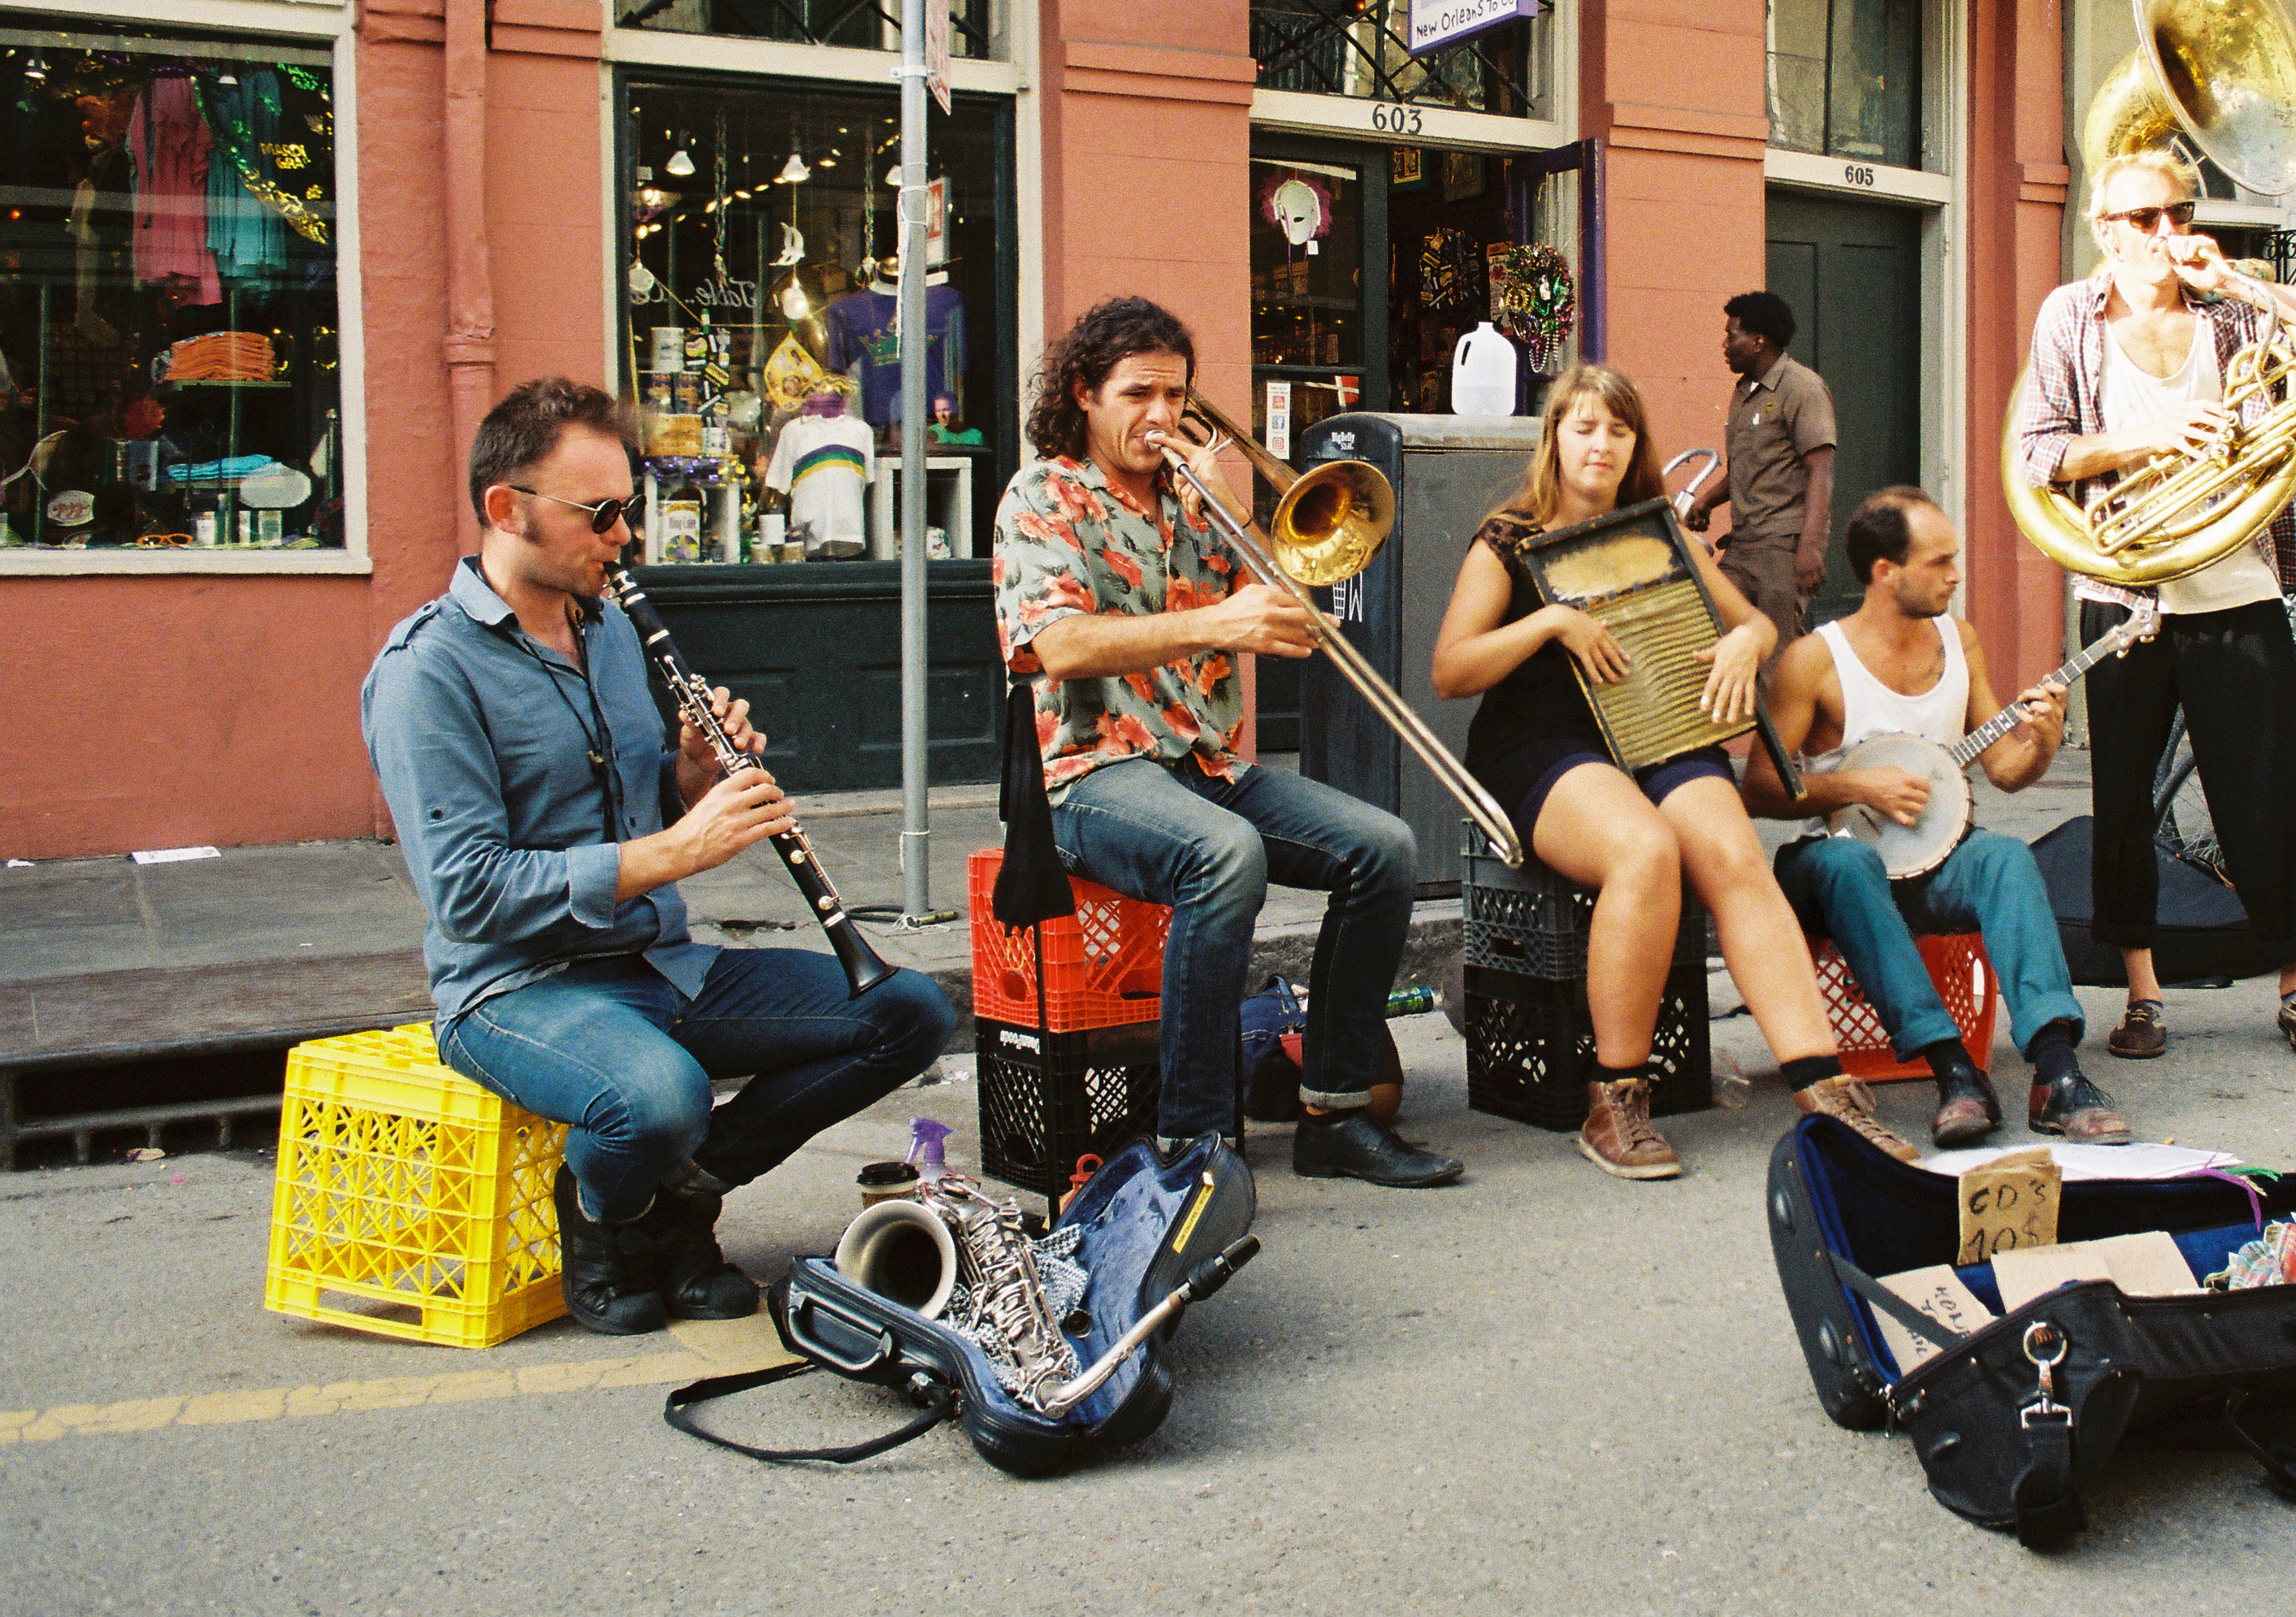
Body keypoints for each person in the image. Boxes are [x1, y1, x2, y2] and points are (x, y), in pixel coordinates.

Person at [362, 379, 957, 1336]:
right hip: (517, 988)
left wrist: (690, 776)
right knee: (659, 1095)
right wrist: (677, 849)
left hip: (659, 962)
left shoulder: (607, 630)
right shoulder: (427, 671)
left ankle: (678, 1199)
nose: (624, 537)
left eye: (627, 512)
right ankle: (604, 1217)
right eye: (599, 514)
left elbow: (639, 808)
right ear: (506, 510)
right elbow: (469, 895)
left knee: (909, 1012)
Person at [994, 297, 1458, 1188]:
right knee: (1225, 855)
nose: (1161, 416)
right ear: (1084, 394)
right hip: (1088, 775)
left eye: (1174, 394)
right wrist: (1222, 618)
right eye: (1137, 394)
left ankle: (1334, 1112)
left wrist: (1247, 521)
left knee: (1384, 850)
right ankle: (1197, 1141)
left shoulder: (1191, 499)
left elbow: (1283, 594)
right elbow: (1058, 644)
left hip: (1202, 765)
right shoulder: (1042, 496)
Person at [1431, 362, 1916, 1180]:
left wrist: (1741, 643)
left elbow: (1761, 628)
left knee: (1732, 856)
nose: (1600, 444)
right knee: (1644, 850)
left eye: (1616, 430)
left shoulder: (1664, 532)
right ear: (1554, 439)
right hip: (1541, 742)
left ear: (1634, 444)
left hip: (1659, 731)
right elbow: (1452, 670)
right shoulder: (1506, 540)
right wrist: (1551, 623)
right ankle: (1615, 1096)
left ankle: (1819, 1083)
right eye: (1583, 426)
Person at [2012, 149, 2296, 1062]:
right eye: (2144, 219)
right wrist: (2151, 436)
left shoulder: (2229, 306)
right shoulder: (2071, 314)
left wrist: (2251, 290)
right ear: (2105, 228)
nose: (2167, 233)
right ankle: (2141, 993)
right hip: (2127, 592)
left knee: (2270, 795)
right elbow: (2037, 452)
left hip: (2236, 586)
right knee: (2125, 799)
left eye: (2178, 212)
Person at [1745, 489, 2132, 1148]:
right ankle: (1953, 1069)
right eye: (1940, 561)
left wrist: (2042, 736)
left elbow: (2006, 771)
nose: (1957, 574)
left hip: (1935, 859)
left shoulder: (1959, 641)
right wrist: (1852, 782)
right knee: (1845, 861)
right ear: (1884, 572)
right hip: (1832, 866)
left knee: (2005, 857)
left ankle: (2057, 1073)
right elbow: (1757, 787)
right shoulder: (1817, 659)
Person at [1683, 289, 1835, 650]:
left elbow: (1822, 472)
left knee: (1775, 658)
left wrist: (1810, 549)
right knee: (1712, 628)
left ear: (1758, 341)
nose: (1724, 343)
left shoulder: (1802, 388)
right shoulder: (1744, 393)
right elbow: (1749, 468)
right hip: (1743, 546)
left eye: (1731, 334)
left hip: (1783, 548)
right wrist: (1706, 501)